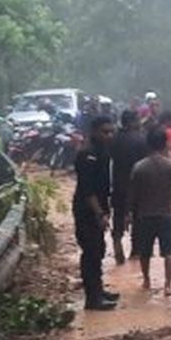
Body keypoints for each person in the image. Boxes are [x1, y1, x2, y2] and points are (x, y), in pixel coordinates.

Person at [128, 127, 171, 295]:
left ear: (148, 144)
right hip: (165, 214)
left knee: (145, 252)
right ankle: (167, 285)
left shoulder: (139, 167)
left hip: (144, 215)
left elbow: (132, 195)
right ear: (165, 144)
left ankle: (147, 281)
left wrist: (129, 215)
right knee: (168, 252)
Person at [73, 115, 118, 310]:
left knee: (98, 250)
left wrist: (105, 211)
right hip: (87, 210)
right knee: (91, 252)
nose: (109, 135)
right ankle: (92, 298)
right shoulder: (87, 154)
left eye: (111, 132)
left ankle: (98, 290)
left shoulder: (103, 151)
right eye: (105, 132)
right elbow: (87, 190)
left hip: (99, 206)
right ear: (94, 132)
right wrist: (99, 213)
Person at [110, 109, 151, 265]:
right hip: (137, 186)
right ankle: (135, 252)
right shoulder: (141, 140)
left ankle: (117, 244)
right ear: (134, 121)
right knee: (138, 219)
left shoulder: (113, 139)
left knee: (118, 216)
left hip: (119, 184)